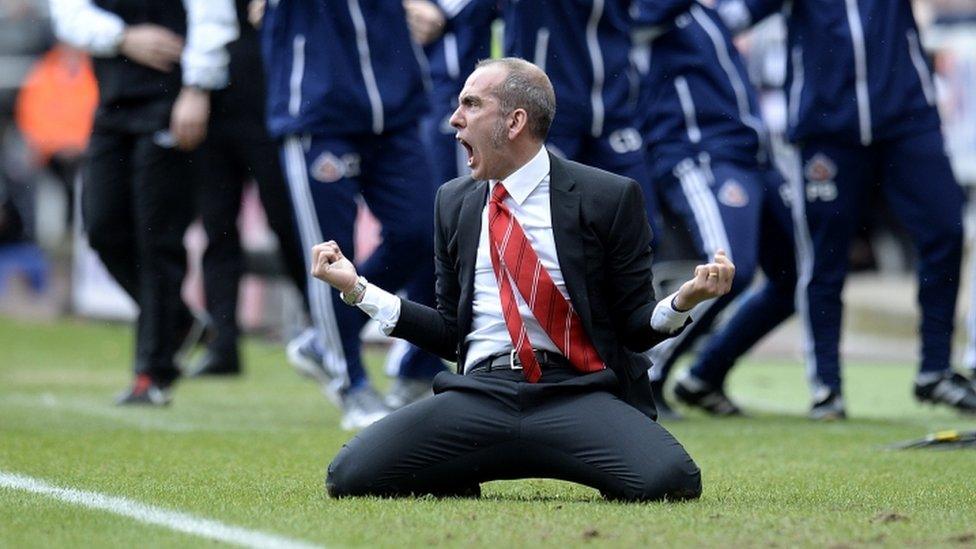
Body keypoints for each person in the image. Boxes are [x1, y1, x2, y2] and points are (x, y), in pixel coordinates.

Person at [312, 59, 735, 500]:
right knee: (350, 476)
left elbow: (634, 327)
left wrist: (685, 301)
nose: (455, 119)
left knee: (671, 481)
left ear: (515, 121)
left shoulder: (608, 196)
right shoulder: (453, 202)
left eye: (471, 105)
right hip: (480, 396)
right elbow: (449, 333)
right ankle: (465, 462)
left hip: (576, 393)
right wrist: (357, 289)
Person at [684, 0, 976, 416]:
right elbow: (729, 18)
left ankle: (935, 369)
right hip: (826, 128)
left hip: (907, 119)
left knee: (946, 229)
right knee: (823, 258)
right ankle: (827, 387)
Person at [259, 0, 447, 429]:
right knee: (329, 249)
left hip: (396, 106)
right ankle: (350, 381)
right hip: (318, 109)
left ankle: (326, 340)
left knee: (421, 232)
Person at [50, 0, 237, 405]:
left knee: (157, 239)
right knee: (101, 228)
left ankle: (152, 373)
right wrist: (122, 37)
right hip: (111, 105)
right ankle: (181, 323)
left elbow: (213, 17)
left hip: (171, 101)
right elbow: (66, 14)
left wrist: (197, 88)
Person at [629, 1, 796, 419]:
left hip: (752, 156)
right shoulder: (645, 11)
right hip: (699, 153)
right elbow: (638, 21)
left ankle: (705, 374)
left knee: (796, 275)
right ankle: (644, 376)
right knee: (727, 268)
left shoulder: (710, 12)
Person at [184, 0, 309, 378]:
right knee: (217, 229)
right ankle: (224, 344)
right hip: (216, 104)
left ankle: (328, 330)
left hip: (271, 104)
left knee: (289, 225)